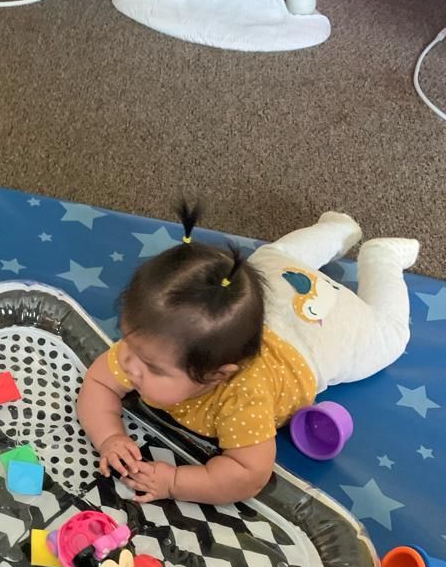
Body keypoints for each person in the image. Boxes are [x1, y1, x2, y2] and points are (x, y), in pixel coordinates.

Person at [77, 203, 418, 505]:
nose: (127, 364)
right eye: (128, 341)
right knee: (274, 261)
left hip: (322, 337)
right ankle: (339, 228)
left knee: (390, 336)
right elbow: (99, 384)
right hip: (271, 298)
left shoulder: (244, 399)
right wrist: (110, 437)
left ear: (216, 374)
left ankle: (379, 258)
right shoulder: (151, 345)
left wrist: (175, 482)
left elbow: (247, 474)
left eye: (152, 368)